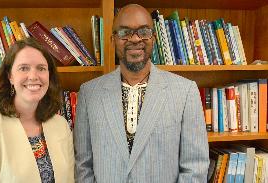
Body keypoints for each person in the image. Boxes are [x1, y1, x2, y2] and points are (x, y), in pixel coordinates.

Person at [74, 4, 209, 182]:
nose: (135, 39)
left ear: (154, 38)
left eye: (143, 31)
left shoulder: (185, 92)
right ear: (113, 39)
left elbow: (195, 166)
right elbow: (83, 165)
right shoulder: (89, 94)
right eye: (124, 32)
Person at [0, 38, 74, 183]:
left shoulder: (61, 125)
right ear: (10, 76)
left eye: (41, 68)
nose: (33, 76)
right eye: (24, 68)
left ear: (49, 75)